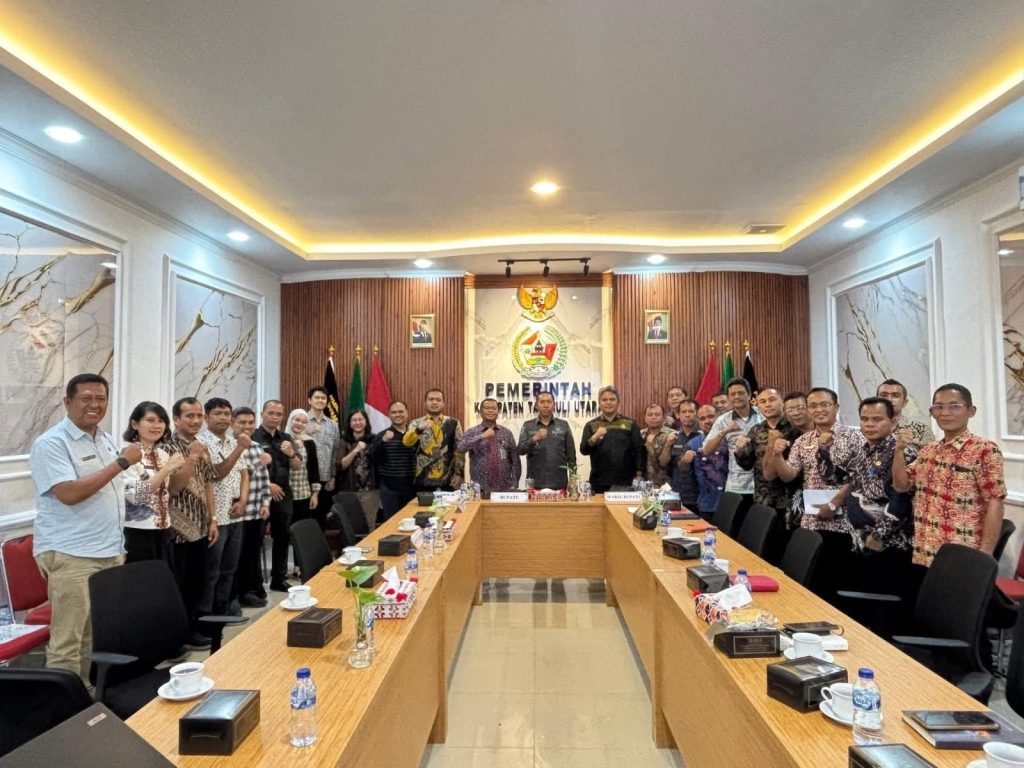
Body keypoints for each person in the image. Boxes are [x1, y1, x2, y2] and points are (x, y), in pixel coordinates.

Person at [30, 373, 140, 680]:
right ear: (68, 403)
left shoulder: (104, 439)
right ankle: (61, 704)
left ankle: (86, 695)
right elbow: (69, 493)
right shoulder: (51, 443)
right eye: (86, 398)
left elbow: (118, 489)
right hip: (72, 553)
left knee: (94, 635)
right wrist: (121, 462)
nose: (94, 405)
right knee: (67, 641)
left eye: (101, 399)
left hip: (109, 550)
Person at [893, 383, 1006, 567]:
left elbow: (995, 502)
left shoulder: (984, 450)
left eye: (954, 406)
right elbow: (901, 486)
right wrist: (899, 451)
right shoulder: (928, 450)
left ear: (971, 411)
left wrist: (985, 555)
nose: (945, 412)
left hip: (962, 553)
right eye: (938, 407)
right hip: (924, 549)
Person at [769, 387, 866, 600]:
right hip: (812, 521)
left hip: (844, 523)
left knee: (837, 584)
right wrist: (777, 455)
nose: (819, 410)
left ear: (836, 407)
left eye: (824, 405)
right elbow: (789, 475)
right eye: (813, 406)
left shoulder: (855, 436)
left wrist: (834, 503)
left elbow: (859, 476)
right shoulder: (803, 441)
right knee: (812, 582)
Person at [818, 397, 918, 602]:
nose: (869, 424)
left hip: (888, 545)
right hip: (860, 540)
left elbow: (902, 499)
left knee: (885, 605)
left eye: (877, 419)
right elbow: (833, 478)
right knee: (856, 602)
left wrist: (879, 535)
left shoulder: (903, 453)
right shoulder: (862, 451)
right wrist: (824, 451)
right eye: (865, 419)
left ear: (893, 421)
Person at [166, 397, 220, 647]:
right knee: (180, 583)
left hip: (200, 525)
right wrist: (192, 457)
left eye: (199, 416)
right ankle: (180, 634)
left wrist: (213, 519)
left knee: (199, 580)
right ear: (176, 419)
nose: (196, 420)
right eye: (190, 416)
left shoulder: (201, 445)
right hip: (177, 529)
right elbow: (174, 488)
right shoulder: (167, 447)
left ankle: (195, 627)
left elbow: (208, 484)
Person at [733, 387, 802, 564]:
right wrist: (740, 451)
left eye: (772, 400)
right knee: (764, 551)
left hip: (790, 502)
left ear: (782, 402)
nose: (767, 405)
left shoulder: (795, 429)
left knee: (788, 554)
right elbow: (747, 465)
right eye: (762, 402)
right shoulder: (756, 430)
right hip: (763, 500)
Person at [198, 398, 250, 617]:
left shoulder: (232, 441)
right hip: (215, 517)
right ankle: (207, 615)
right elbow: (217, 474)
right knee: (212, 571)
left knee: (229, 568)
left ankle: (223, 609)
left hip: (235, 514)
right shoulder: (201, 443)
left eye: (227, 414)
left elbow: (244, 474)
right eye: (218, 413)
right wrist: (239, 448)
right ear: (206, 417)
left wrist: (243, 501)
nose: (223, 418)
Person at [122, 401, 185, 563]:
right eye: (150, 420)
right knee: (141, 577)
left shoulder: (162, 454)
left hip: (163, 529)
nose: (157, 425)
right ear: (134, 424)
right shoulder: (127, 453)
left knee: (163, 577)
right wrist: (167, 469)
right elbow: (137, 497)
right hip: (137, 531)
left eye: (161, 421)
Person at [253, 399, 302, 592]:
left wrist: (291, 454)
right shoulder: (253, 437)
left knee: (282, 536)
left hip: (283, 493)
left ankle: (278, 578)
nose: (275, 417)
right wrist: (267, 485)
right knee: (256, 538)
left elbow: (297, 466)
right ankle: (255, 582)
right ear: (262, 414)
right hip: (260, 493)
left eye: (278, 414)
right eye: (271, 413)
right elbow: (246, 469)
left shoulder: (286, 438)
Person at [232, 407, 272, 608]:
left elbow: (265, 480)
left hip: (256, 511)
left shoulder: (257, 446)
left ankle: (250, 590)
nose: (247, 426)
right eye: (242, 422)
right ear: (233, 423)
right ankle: (239, 594)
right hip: (237, 514)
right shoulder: (230, 446)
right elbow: (235, 477)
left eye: (250, 423)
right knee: (238, 556)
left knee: (251, 553)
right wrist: (258, 464)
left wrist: (266, 503)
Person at [702, 378, 764, 508]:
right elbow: (707, 450)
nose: (737, 397)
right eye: (733, 394)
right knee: (734, 521)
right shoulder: (722, 420)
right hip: (737, 485)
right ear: (729, 398)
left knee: (763, 520)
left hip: (763, 484)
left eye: (740, 393)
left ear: (749, 394)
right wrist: (724, 432)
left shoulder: (763, 414)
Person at [579, 386, 644, 493]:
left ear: (618, 402)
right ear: (599, 403)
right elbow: (583, 450)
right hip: (599, 481)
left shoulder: (630, 423)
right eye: (604, 400)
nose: (608, 402)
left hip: (625, 481)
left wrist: (639, 474)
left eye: (612, 399)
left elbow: (639, 450)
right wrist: (595, 437)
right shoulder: (591, 425)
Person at [403, 389, 465, 492]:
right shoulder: (416, 423)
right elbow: (406, 442)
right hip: (422, 480)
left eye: (438, 400)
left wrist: (459, 474)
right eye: (431, 399)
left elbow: (460, 450)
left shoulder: (453, 423)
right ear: (425, 402)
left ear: (443, 403)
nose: (434, 402)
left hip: (448, 480)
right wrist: (419, 429)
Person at [458, 398, 521, 492]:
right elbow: (461, 447)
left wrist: (514, 484)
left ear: (498, 411)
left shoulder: (506, 433)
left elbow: (515, 460)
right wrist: (481, 436)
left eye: (494, 408)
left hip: (504, 489)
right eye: (487, 408)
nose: (490, 410)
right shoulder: (472, 432)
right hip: (480, 489)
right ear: (480, 411)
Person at [368, 400, 418, 520]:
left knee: (412, 521)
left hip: (412, 488)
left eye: (401, 411)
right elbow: (370, 456)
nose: (397, 414)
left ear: (407, 413)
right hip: (389, 489)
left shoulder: (415, 435)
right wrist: (383, 441)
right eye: (394, 412)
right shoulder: (382, 435)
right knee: (391, 522)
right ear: (389, 415)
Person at [518, 391, 576, 490]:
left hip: (559, 483)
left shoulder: (564, 425)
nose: (545, 405)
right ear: (536, 405)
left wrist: (573, 479)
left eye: (549, 402)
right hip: (535, 483)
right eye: (542, 402)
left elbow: (571, 456)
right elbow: (520, 450)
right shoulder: (528, 425)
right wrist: (534, 438)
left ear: (554, 405)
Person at [339, 408, 379, 529]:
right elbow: (341, 465)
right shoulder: (344, 441)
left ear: (366, 422)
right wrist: (355, 450)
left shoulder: (374, 440)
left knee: (369, 525)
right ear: (350, 424)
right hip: (349, 490)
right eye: (354, 420)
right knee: (351, 525)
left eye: (360, 419)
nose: (357, 422)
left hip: (370, 491)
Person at [688, 404, 728, 519]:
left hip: (729, 504)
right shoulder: (693, 444)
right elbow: (685, 472)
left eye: (711, 416)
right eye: (702, 418)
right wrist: (684, 460)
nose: (707, 421)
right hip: (705, 505)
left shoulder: (730, 440)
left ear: (719, 417)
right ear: (698, 423)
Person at [285, 409, 322, 531]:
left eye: (304, 422)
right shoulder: (282, 439)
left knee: (301, 529)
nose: (300, 424)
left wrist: (315, 494)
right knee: (286, 531)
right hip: (285, 495)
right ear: (290, 420)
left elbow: (313, 469)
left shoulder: (309, 442)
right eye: (297, 420)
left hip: (304, 493)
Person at [305, 386, 340, 514]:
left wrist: (333, 477)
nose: (320, 400)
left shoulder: (333, 425)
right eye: (317, 398)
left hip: (326, 478)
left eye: (323, 398)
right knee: (306, 515)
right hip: (305, 478)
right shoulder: (301, 421)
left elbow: (335, 451)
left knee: (322, 515)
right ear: (310, 400)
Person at [876, 378, 936, 451]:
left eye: (895, 395)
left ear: (904, 402)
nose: (889, 399)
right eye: (884, 395)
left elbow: (931, 455)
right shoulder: (867, 428)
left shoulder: (921, 430)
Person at [668, 399, 701, 510]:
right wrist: (667, 445)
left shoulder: (704, 435)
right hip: (677, 492)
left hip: (699, 494)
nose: (687, 415)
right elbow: (665, 463)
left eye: (691, 411)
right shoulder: (673, 436)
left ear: (697, 413)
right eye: (684, 412)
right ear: (679, 415)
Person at [641, 403, 676, 486]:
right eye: (650, 415)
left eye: (657, 414)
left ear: (663, 417)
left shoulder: (672, 434)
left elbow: (664, 463)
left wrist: (653, 446)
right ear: (645, 418)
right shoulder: (640, 434)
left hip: (666, 485)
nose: (653, 417)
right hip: (644, 483)